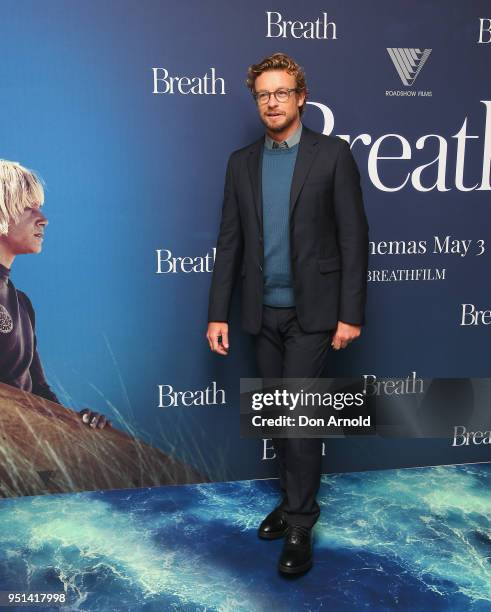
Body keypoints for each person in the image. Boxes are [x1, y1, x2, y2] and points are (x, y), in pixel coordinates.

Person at [206, 52, 369, 575]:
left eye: (282, 92)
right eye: (263, 95)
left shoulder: (333, 155)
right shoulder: (241, 162)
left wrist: (350, 313)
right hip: (262, 315)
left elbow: (353, 238)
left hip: (314, 316)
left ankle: (300, 521)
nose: (272, 102)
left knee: (300, 422)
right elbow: (228, 243)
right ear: (257, 102)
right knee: (279, 418)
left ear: (301, 98)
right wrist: (218, 314)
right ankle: (290, 498)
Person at [0, 160, 109, 429]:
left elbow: (38, 389)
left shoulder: (22, 303)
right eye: (28, 207)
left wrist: (76, 424)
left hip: (25, 450)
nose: (43, 218)